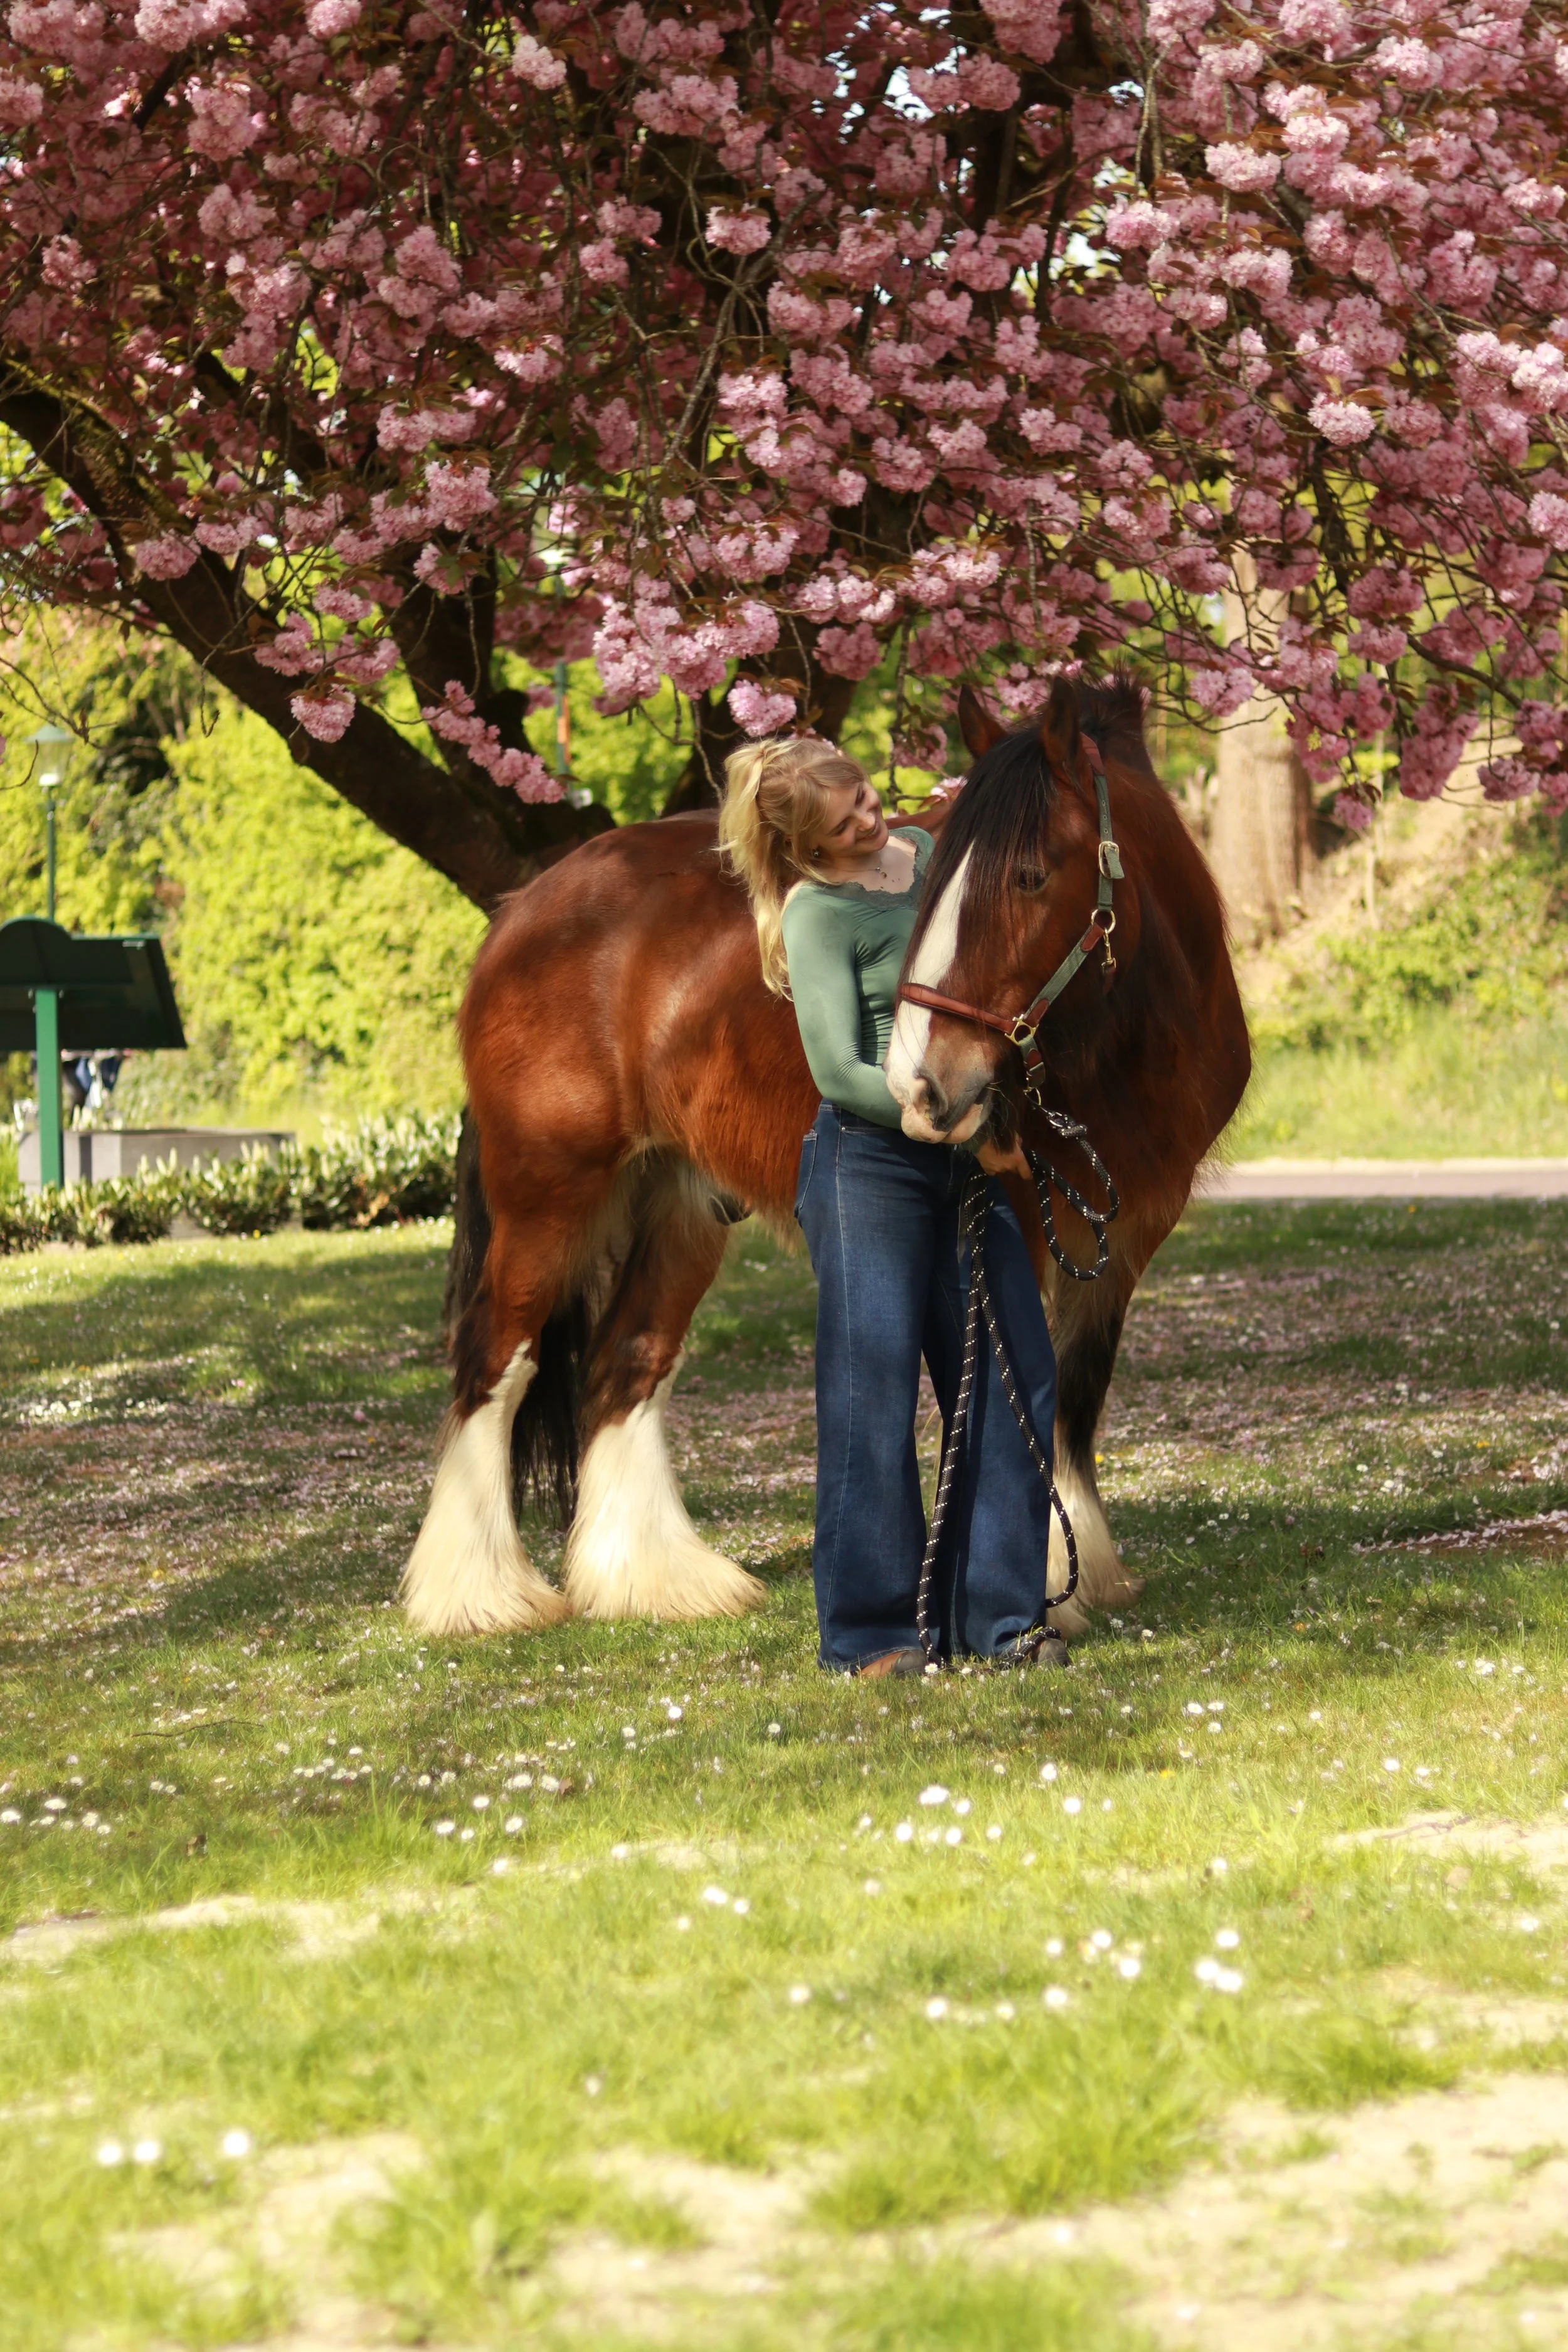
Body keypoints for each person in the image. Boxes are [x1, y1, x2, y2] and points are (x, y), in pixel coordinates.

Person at [719, 734, 1063, 1677]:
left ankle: (1000, 1622)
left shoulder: (923, 850)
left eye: (868, 796)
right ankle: (874, 1637)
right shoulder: (817, 915)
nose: (872, 819)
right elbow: (837, 1071)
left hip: (958, 1149)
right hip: (870, 1164)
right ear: (807, 848)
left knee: (1012, 1372)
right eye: (845, 821)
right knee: (871, 1400)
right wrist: (949, 1123)